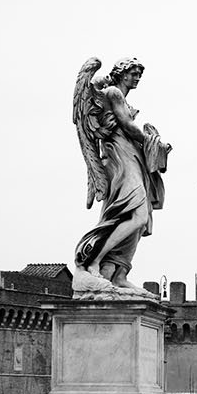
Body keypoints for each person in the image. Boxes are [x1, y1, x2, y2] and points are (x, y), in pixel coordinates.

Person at [68, 57, 168, 296]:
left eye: (139, 74)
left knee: (139, 217)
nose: (137, 78)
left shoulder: (117, 96)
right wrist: (155, 143)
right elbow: (126, 125)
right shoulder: (113, 92)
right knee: (136, 213)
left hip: (132, 156)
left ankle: (117, 274)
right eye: (133, 73)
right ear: (122, 73)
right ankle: (92, 260)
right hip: (120, 157)